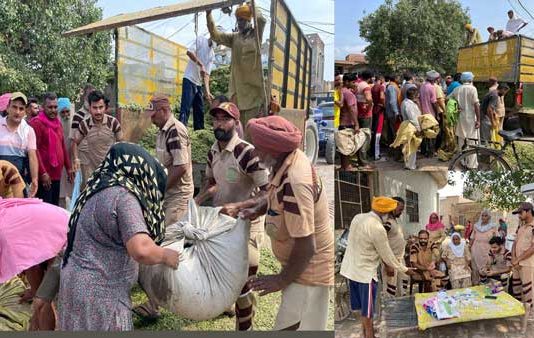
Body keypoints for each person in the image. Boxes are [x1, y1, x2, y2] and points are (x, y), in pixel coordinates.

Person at [57, 143, 179, 331]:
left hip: (75, 286)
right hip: (101, 295)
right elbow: (141, 249)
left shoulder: (96, 189)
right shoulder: (123, 197)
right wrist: (165, 255)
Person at [242, 116, 334, 331]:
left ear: (273, 149)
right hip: (298, 267)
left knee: (291, 327)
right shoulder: (286, 161)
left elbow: (307, 246)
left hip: (309, 272)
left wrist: (281, 280)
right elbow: (277, 197)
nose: (254, 153)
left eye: (258, 148)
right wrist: (259, 208)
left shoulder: (295, 181)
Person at [194, 102, 269, 330]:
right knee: (222, 273)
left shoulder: (248, 153)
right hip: (222, 224)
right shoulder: (212, 151)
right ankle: (230, 302)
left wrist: (239, 206)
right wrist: (197, 200)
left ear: (235, 123)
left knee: (244, 283)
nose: (219, 124)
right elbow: (212, 183)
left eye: (225, 119)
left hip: (247, 225)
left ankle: (245, 326)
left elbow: (268, 193)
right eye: (216, 119)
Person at [340, 197, 415, 338]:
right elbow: (387, 255)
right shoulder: (378, 228)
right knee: (368, 311)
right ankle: (370, 335)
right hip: (365, 274)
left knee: (362, 309)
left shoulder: (358, 217)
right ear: (387, 211)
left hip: (351, 270)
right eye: (396, 209)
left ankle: (366, 333)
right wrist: (405, 269)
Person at [207, 4, 267, 140]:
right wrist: (208, 14)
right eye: (238, 20)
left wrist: (252, 5)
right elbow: (215, 35)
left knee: (251, 135)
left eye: (242, 20)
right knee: (237, 135)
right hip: (237, 95)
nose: (239, 23)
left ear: (249, 21)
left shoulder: (256, 35)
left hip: (254, 95)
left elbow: (261, 20)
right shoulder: (235, 38)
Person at [71, 91, 123, 187]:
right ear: (89, 108)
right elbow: (75, 142)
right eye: (95, 108)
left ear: (105, 107)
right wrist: (76, 159)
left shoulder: (113, 123)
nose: (98, 111)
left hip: (110, 170)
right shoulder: (85, 124)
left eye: (100, 107)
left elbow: (121, 144)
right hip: (91, 171)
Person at [30, 92, 74, 206]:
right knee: (45, 209)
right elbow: (35, 150)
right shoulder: (37, 123)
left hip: (56, 175)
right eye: (50, 107)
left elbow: (62, 146)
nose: (53, 110)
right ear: (43, 107)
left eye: (55, 107)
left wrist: (69, 168)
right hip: (44, 177)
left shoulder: (57, 123)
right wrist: (43, 173)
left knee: (54, 206)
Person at [0, 92, 39, 197]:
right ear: (7, 108)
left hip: (17, 183)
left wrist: (35, 179)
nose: (17, 112)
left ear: (25, 112)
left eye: (21, 109)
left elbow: (32, 157)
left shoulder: (28, 131)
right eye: (14, 107)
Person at [178, 36, 215, 130]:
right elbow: (189, 52)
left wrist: (207, 92)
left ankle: (199, 133)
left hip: (198, 84)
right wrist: (201, 64)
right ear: (212, 35)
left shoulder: (212, 54)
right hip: (189, 79)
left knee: (199, 111)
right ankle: (180, 130)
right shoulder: (200, 40)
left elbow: (206, 75)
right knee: (185, 108)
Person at [448, 72, 480, 169]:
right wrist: (478, 119)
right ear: (470, 80)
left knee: (461, 140)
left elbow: (448, 98)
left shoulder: (457, 89)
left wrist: (456, 108)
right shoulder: (473, 89)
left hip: (461, 117)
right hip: (471, 118)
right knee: (472, 141)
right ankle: (472, 165)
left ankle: (462, 161)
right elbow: (476, 105)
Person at [382, 197, 409, 298]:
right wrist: (387, 264)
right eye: (400, 209)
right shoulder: (387, 222)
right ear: (392, 207)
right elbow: (381, 244)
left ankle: (401, 305)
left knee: (404, 279)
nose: (401, 212)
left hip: (400, 259)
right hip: (391, 261)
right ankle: (390, 311)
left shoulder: (394, 221)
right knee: (390, 288)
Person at [69, 84, 95, 185]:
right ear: (85, 97)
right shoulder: (78, 116)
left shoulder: (98, 114)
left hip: (97, 158)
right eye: (90, 95)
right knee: (85, 187)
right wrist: (74, 161)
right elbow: (73, 141)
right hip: (84, 159)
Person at [511, 202, 534, 307]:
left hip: (527, 264)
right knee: (516, 288)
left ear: (528, 211)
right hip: (516, 264)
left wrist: (518, 259)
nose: (519, 215)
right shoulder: (521, 227)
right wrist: (513, 258)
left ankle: (530, 315)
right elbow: (514, 243)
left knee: (528, 290)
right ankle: (519, 311)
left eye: (520, 213)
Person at [470, 209, 498, 285]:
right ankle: (475, 285)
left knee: (486, 268)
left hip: (487, 250)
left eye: (486, 215)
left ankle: (485, 286)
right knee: (475, 269)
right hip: (476, 249)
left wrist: (496, 251)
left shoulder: (493, 227)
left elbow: (496, 240)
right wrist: (469, 248)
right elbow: (472, 238)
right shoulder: (476, 226)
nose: (483, 217)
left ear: (489, 217)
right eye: (482, 215)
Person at [339, 73, 360, 171]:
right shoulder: (348, 93)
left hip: (342, 123)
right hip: (348, 122)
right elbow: (351, 109)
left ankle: (344, 165)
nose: (354, 84)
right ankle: (347, 166)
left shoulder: (342, 91)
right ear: (347, 82)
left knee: (343, 146)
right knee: (347, 146)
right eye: (353, 82)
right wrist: (356, 124)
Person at [400, 87, 422, 170]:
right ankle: (411, 165)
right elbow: (412, 118)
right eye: (417, 94)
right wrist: (418, 128)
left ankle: (408, 164)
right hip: (410, 127)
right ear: (414, 95)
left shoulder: (405, 102)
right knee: (411, 147)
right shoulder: (409, 105)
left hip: (407, 125)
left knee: (408, 146)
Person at [419, 71, 440, 157]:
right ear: (434, 79)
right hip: (430, 114)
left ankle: (424, 151)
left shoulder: (422, 86)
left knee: (424, 133)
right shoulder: (431, 87)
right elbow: (434, 102)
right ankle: (431, 152)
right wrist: (438, 112)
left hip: (423, 113)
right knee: (432, 134)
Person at [57, 97, 73, 209]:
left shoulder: (76, 124)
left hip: (73, 161)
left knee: (74, 190)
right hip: (59, 162)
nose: (66, 114)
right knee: (60, 192)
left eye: (67, 111)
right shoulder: (55, 125)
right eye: (62, 112)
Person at [370, 75, 386, 161]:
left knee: (374, 130)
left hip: (374, 109)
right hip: (379, 110)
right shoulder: (380, 87)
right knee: (378, 132)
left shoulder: (372, 88)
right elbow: (382, 97)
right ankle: (377, 154)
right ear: (380, 79)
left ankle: (373, 152)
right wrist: (383, 105)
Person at [385, 74, 401, 146]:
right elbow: (392, 101)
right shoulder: (392, 87)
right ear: (395, 78)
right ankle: (396, 152)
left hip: (391, 113)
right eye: (398, 77)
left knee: (393, 132)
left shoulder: (392, 86)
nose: (400, 79)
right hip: (393, 114)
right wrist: (397, 113)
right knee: (396, 133)